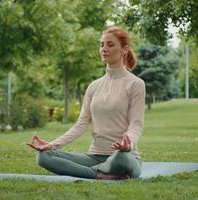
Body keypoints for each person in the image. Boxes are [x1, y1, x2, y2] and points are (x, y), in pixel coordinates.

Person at [27, 27, 145, 180]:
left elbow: (136, 124)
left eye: (110, 45)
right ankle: (99, 174)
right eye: (101, 45)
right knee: (44, 157)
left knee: (120, 158)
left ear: (124, 49)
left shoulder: (136, 84)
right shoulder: (94, 86)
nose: (104, 49)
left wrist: (128, 144)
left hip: (124, 157)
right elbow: (81, 124)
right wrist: (52, 145)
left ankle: (104, 169)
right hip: (94, 157)